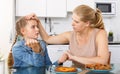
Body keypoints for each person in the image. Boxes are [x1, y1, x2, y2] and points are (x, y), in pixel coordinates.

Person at [26, 5, 109, 67]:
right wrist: (38, 22)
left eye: (76, 22)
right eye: (72, 19)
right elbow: (48, 39)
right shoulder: (70, 35)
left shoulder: (100, 34)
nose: (72, 24)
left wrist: (74, 57)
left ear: (87, 23)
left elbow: (102, 61)